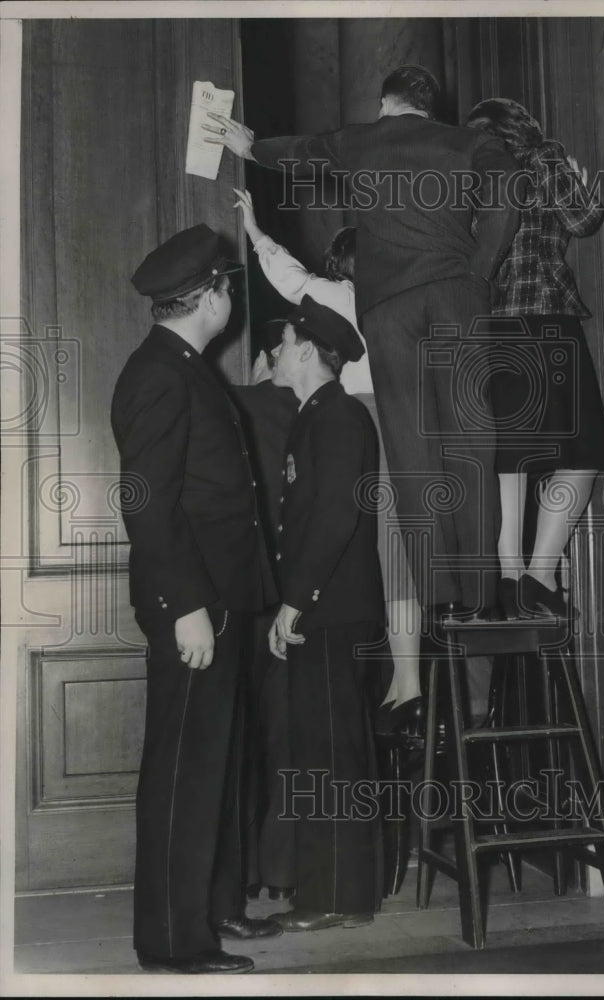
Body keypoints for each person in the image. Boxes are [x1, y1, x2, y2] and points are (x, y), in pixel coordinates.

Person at [205, 65, 520, 620]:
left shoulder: (362, 140)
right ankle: (482, 595)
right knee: (471, 444)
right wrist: (478, 272)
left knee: (411, 451)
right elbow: (507, 199)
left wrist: (251, 150)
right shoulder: (473, 141)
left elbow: (301, 151)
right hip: (456, 296)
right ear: (429, 106)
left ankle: (440, 595)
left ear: (384, 104)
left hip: (389, 308)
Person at [110, 224, 283, 974]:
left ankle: (213, 911)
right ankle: (174, 942)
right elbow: (146, 503)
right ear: (209, 295)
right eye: (227, 289)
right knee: (185, 768)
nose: (231, 301)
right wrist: (184, 606)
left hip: (223, 596)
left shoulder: (183, 367)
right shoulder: (160, 375)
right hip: (194, 603)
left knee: (218, 761)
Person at [232, 187, 422, 734]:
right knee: (399, 552)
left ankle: (404, 683)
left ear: (341, 267)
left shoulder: (340, 296)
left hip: (363, 414)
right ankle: (407, 677)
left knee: (363, 540)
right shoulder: (403, 298)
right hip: (410, 423)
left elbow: (290, 277)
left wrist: (256, 230)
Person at [464, 98, 604, 617]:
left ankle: (517, 576)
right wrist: (561, 172)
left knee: (511, 459)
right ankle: (537, 573)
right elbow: (584, 218)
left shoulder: (489, 176)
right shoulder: (538, 158)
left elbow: (582, 221)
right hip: (543, 322)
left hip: (498, 327)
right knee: (581, 453)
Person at [265, 295, 384, 931]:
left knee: (335, 755)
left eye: (282, 344)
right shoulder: (315, 417)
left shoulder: (337, 418)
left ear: (308, 350)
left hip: (331, 610)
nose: (275, 355)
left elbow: (334, 520)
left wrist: (294, 601)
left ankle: (341, 896)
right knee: (321, 751)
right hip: (324, 609)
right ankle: (329, 889)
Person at [230, 320, 298, 902]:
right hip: (295, 598)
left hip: (238, 596)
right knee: (287, 736)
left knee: (239, 736)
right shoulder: (312, 411)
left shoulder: (236, 399)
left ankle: (243, 871)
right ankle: (281, 873)